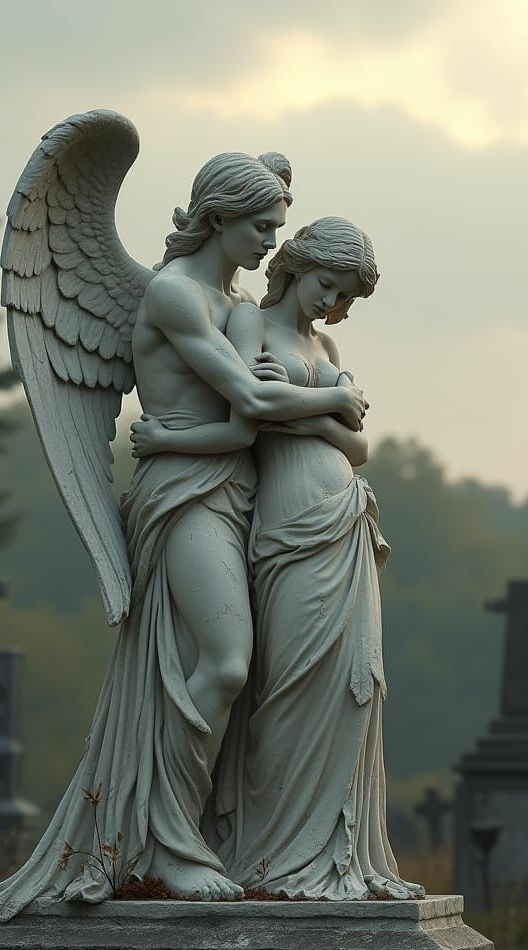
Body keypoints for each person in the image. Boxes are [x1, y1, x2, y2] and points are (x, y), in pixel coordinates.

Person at [0, 162, 367, 920]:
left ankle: (199, 837)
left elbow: (248, 420)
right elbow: (253, 400)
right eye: (260, 227)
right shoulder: (173, 293)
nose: (269, 243)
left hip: (234, 491)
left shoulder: (237, 305)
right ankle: (167, 846)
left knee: (240, 674)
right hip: (185, 497)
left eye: (277, 230)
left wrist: (244, 429)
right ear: (220, 216)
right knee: (224, 665)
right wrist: (337, 397)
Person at [130, 217, 425, 899]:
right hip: (287, 523)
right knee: (287, 685)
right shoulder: (248, 327)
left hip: (343, 518)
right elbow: (250, 417)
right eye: (327, 284)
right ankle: (268, 855)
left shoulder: (325, 343)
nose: (331, 303)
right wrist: (337, 401)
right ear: (294, 265)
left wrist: (321, 412)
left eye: (345, 295)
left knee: (351, 686)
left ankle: (334, 858)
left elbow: (360, 449)